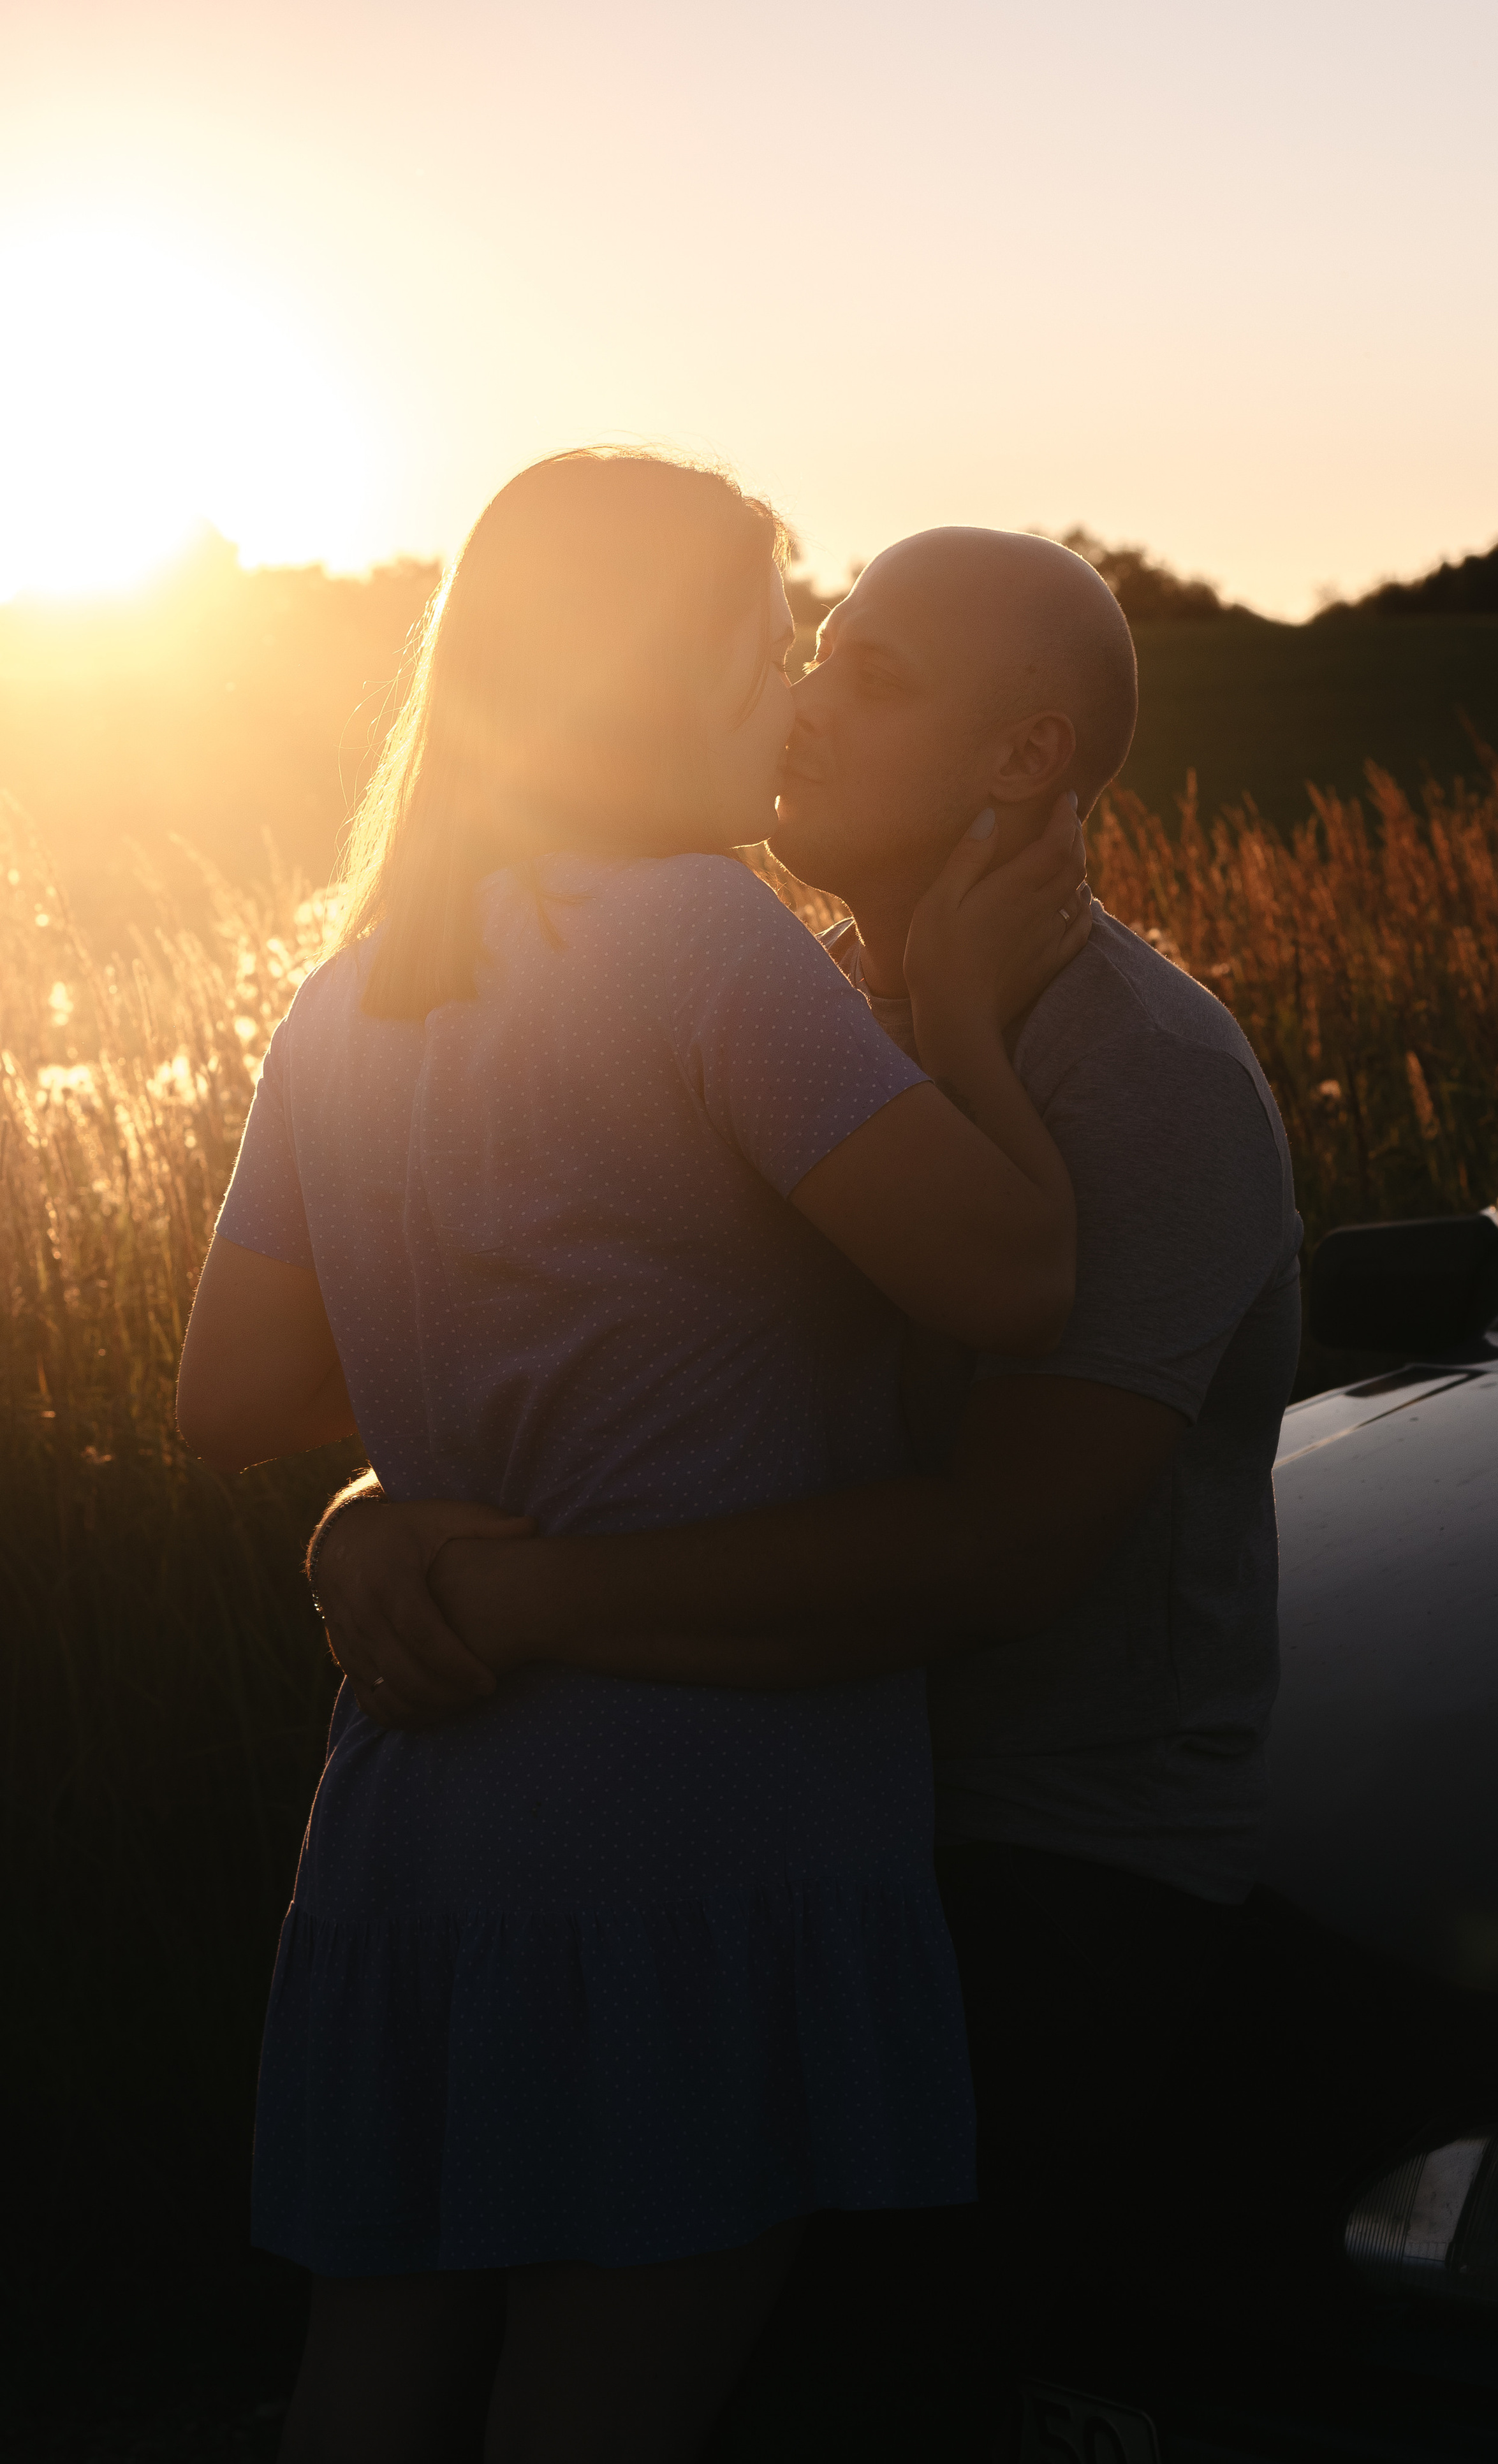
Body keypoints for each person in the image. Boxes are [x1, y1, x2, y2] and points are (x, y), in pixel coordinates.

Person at [309, 523, 1303, 2449]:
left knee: (786, 2395)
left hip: (1033, 1859)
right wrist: (370, 1506)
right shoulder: (781, 1002)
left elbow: (1002, 1552)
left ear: (1025, 761)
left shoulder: (1149, 1077)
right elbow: (608, 1365)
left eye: (877, 678)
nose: (805, 700)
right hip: (771, 1803)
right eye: (815, 650)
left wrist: (514, 1601)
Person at [175, 459, 1098, 2464]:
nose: (790, 692)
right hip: (691, 1831)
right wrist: (960, 1012)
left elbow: (229, 1394)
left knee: (367, 2402)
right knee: (604, 2419)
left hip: (411, 1836)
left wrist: (456, 1404)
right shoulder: (707, 945)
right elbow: (1016, 1275)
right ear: (648, 679)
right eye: (768, 643)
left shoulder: (349, 999)